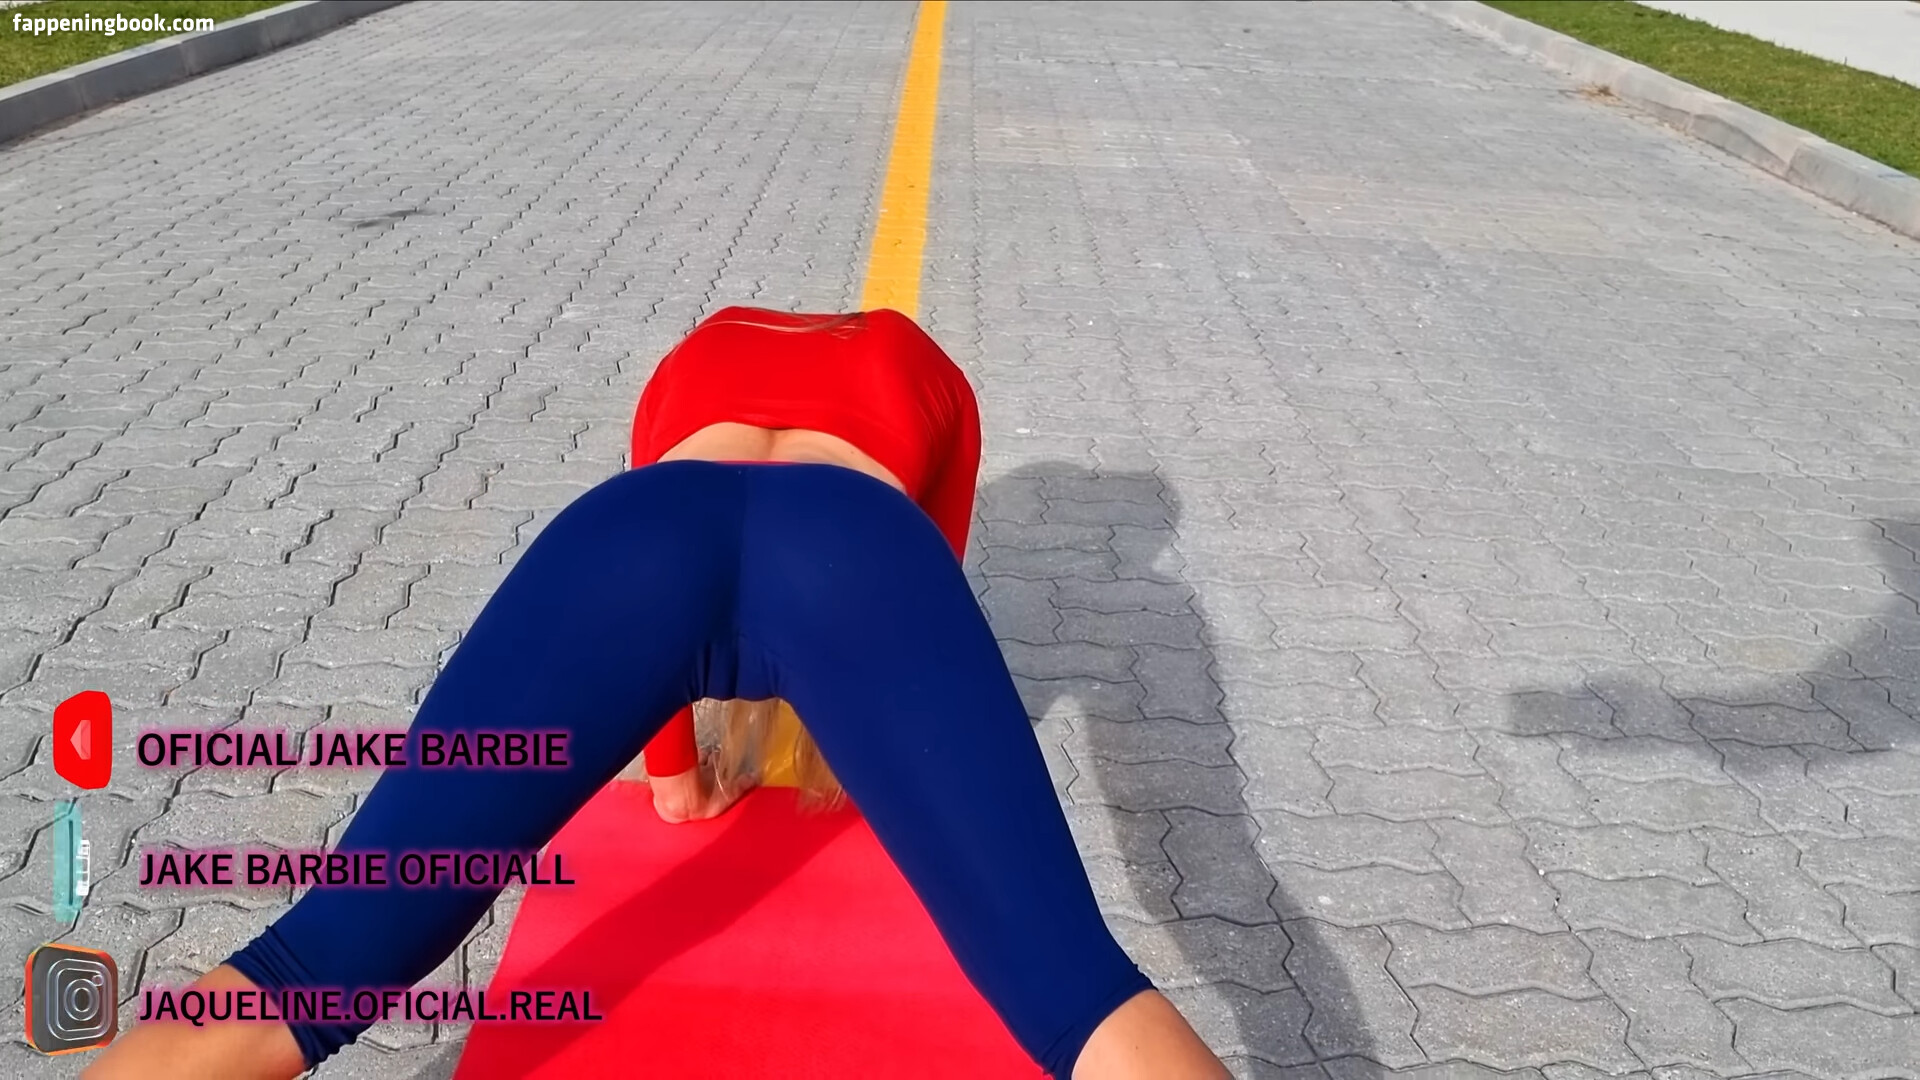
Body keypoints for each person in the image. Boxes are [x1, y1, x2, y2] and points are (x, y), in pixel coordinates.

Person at [85, 308, 1229, 1080]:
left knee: (319, 960)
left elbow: (667, 730)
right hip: (857, 546)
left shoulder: (705, 342)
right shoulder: (930, 371)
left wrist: (683, 783)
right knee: (1070, 985)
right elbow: (919, 595)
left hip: (631, 537)